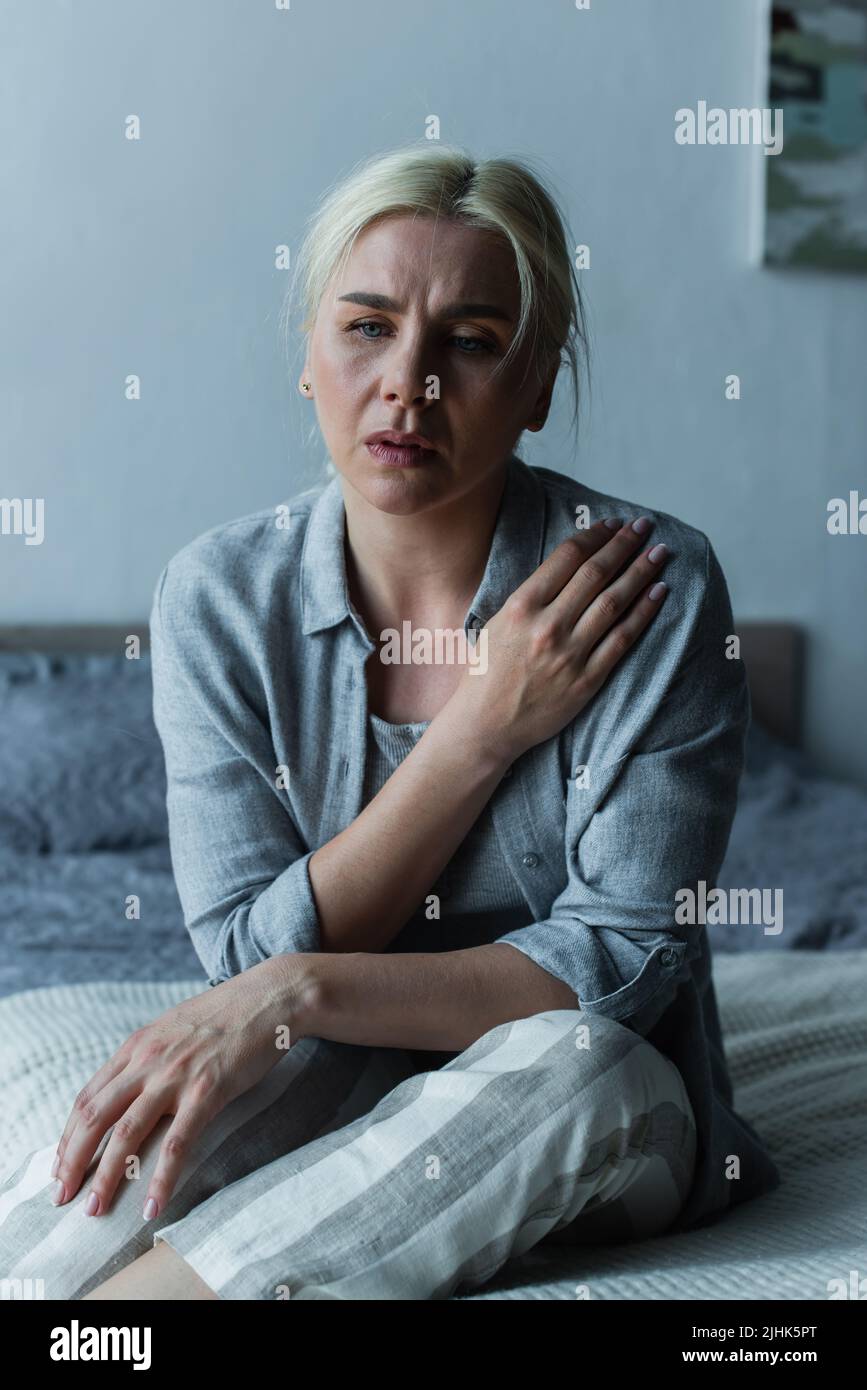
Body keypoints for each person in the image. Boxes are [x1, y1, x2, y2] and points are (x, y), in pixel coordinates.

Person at [0, 144, 779, 1300]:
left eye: (469, 342)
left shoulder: (649, 588)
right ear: (310, 358)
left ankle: (145, 1323)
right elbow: (243, 963)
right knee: (177, 1091)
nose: (407, 382)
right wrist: (481, 729)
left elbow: (623, 964)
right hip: (335, 1057)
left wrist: (304, 991)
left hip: (610, 1111)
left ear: (537, 384)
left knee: (571, 1062)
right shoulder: (216, 595)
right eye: (367, 327)